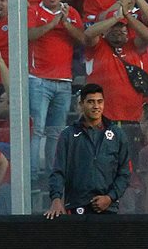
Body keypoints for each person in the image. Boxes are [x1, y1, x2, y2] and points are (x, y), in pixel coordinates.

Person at [44, 83, 132, 218]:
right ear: (81, 104)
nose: (96, 106)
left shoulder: (118, 135)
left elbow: (125, 173)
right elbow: (58, 171)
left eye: (100, 102)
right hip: (76, 207)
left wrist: (109, 197)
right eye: (91, 102)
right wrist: (56, 199)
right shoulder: (68, 135)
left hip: (109, 209)